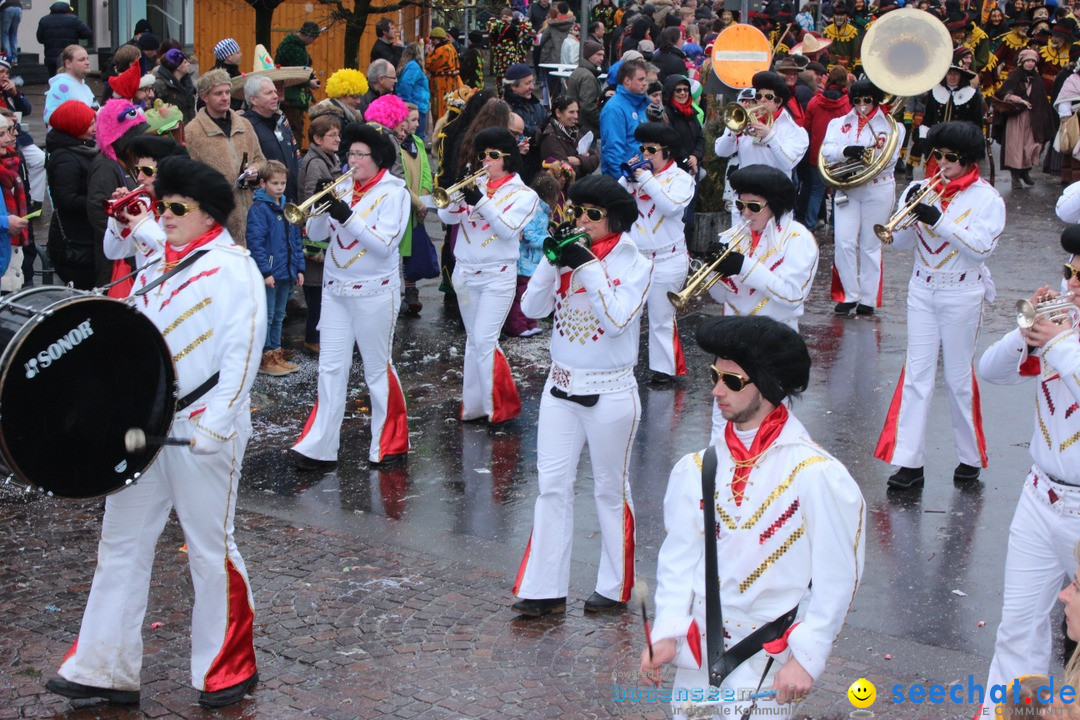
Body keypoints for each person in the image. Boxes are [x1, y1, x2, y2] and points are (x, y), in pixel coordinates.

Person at [44, 155, 266, 711]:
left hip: (201, 427)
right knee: (119, 543)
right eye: (161, 204)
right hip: (148, 425)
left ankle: (226, 665)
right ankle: (102, 666)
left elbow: (243, 350)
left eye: (175, 207)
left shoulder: (232, 268)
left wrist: (219, 419)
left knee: (209, 547)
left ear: (208, 215)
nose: (163, 215)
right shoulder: (157, 263)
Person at [640, 315, 865, 719]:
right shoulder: (696, 469)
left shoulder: (816, 475)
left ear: (768, 385)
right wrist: (669, 631)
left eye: (732, 381)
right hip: (701, 660)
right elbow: (678, 561)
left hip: (768, 659)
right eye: (714, 375)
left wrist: (807, 657)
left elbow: (837, 575)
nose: (715, 390)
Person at [512, 174, 652, 617]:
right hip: (560, 386)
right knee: (551, 487)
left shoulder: (635, 263)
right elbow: (531, 310)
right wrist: (551, 264)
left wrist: (587, 266)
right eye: (578, 212)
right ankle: (543, 588)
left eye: (594, 215)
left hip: (610, 392)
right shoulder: (569, 258)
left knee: (610, 490)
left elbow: (617, 319)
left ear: (616, 221)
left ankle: (615, 586)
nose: (583, 221)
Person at [978, 227, 1080, 718]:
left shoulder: (1067, 341)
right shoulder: (1065, 325)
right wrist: (1025, 335)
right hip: (1040, 497)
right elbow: (989, 371)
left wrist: (1058, 343)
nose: (1072, 285)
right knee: (1018, 626)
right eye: (1069, 272)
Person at [874, 121, 1005, 490]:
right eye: (937, 155)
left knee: (958, 377)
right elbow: (899, 246)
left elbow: (980, 250)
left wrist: (939, 220)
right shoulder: (922, 188)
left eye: (952, 158)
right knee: (916, 376)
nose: (942, 164)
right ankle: (909, 463)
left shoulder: (987, 199)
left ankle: (969, 457)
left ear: (969, 161)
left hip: (962, 293)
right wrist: (905, 218)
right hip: (921, 291)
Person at [290, 122, 411, 471]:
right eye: (350, 154)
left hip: (375, 292)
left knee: (376, 369)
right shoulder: (345, 188)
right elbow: (315, 234)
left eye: (360, 154)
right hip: (336, 291)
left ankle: (388, 444)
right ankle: (320, 447)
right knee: (329, 368)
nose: (352, 161)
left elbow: (384, 246)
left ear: (379, 159)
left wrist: (347, 215)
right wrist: (322, 206)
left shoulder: (394, 193)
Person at [705, 164, 819, 440]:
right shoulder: (735, 237)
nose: (744, 213)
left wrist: (744, 267)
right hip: (733, 346)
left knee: (769, 428)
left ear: (775, 205)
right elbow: (722, 297)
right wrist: (716, 275)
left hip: (773, 346)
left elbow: (792, 296)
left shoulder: (798, 240)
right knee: (721, 428)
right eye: (740, 204)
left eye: (753, 207)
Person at [437, 127, 536, 424]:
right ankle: (475, 405)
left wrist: (479, 200)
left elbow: (507, 229)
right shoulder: (477, 184)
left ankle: (501, 407)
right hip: (465, 274)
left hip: (498, 276)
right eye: (482, 155)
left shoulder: (524, 195)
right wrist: (457, 199)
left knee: (484, 339)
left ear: (509, 159)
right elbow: (445, 217)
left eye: (493, 155)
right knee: (474, 341)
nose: (485, 161)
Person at [820, 78, 904, 316]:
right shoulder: (839, 123)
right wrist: (846, 152)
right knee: (844, 242)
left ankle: (867, 299)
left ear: (875, 100)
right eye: (857, 101)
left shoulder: (892, 126)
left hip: (878, 188)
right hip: (847, 188)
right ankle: (848, 295)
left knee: (870, 244)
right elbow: (827, 151)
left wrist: (860, 159)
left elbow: (889, 161)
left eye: (867, 100)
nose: (862, 105)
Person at [621, 122, 693, 384]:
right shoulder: (638, 177)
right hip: (635, 257)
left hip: (667, 257)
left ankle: (664, 370)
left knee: (661, 317)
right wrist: (626, 179)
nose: (646, 155)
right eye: (642, 149)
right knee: (629, 314)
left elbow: (671, 207)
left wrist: (646, 180)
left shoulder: (681, 179)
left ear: (667, 152)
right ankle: (623, 363)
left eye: (651, 150)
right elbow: (614, 201)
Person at [184, 69, 265, 247]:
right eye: (218, 93)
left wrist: (254, 171)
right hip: (220, 216)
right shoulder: (194, 131)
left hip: (252, 210)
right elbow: (193, 177)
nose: (225, 98)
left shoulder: (245, 125)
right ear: (205, 97)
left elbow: (261, 160)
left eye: (227, 92)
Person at [714, 71, 809, 223]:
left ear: (779, 102)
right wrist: (733, 133)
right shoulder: (746, 121)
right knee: (741, 244)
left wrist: (770, 136)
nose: (761, 100)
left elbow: (789, 162)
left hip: (774, 198)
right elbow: (720, 152)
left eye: (768, 97)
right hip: (745, 196)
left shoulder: (793, 130)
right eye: (758, 96)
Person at [246, 159, 303, 376]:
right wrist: (265, 272)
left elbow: (295, 240)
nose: (279, 188)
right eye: (275, 183)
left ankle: (276, 353)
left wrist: (299, 268)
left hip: (285, 271)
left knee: (279, 314)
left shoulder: (287, 207)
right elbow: (256, 243)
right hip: (271, 273)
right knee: (267, 315)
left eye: (282, 183)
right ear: (263, 183)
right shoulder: (259, 209)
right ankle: (265, 356)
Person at [87, 99, 148, 286]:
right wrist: (124, 238)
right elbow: (98, 211)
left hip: (132, 255)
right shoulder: (106, 167)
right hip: (117, 262)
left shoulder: (124, 163)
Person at [297, 113, 342, 354]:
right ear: (316, 138)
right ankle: (312, 338)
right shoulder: (316, 163)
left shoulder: (328, 158)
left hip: (326, 230)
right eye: (331, 135)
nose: (337, 139)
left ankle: (318, 334)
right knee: (315, 285)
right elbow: (310, 198)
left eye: (338, 134)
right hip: (317, 233)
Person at [43, 99, 96, 288]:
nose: (95, 127)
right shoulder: (65, 158)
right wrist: (99, 201)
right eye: (90, 123)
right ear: (75, 125)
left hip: (86, 235)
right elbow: (66, 199)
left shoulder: (84, 147)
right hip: (75, 241)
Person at [504, 172, 557, 338]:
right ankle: (517, 325)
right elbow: (529, 235)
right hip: (526, 261)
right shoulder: (534, 210)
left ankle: (531, 322)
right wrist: (548, 240)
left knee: (532, 292)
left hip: (535, 261)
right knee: (522, 294)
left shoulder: (542, 211)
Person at [995, 47, 1055, 188]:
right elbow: (1003, 93)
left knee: (1033, 146)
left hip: (1032, 119)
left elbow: (1041, 100)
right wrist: (1018, 99)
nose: (1030, 64)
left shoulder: (1037, 78)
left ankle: (1025, 171)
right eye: (1027, 61)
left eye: (1032, 61)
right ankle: (1015, 177)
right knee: (1015, 147)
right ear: (1021, 62)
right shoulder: (1015, 75)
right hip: (1016, 117)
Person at [802, 66, 850, 230]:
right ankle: (838, 224)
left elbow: (806, 126)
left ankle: (810, 224)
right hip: (840, 156)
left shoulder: (815, 101)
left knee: (816, 191)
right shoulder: (848, 104)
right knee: (839, 192)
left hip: (818, 154)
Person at [398, 103, 433, 316]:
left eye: (417, 119)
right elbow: (399, 177)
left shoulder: (417, 142)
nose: (417, 124)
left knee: (412, 251)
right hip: (403, 203)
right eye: (412, 120)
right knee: (400, 250)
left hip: (417, 204)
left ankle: (411, 292)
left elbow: (426, 171)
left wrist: (424, 199)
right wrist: (416, 202)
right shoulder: (397, 146)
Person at [243, 75, 301, 204]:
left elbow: (295, 160)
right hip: (264, 204)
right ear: (253, 99)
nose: (276, 96)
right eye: (269, 93)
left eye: (275, 91)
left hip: (290, 200)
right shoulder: (246, 126)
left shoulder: (281, 122)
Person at [0, 58, 43, 211]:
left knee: (40, 159)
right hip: (4, 139)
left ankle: (34, 200)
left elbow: (27, 110)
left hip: (18, 137)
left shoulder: (8, 91)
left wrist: (15, 93)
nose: (4, 76)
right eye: (1, 72)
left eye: (6, 72)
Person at [600, 58, 651, 177]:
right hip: (624, 179)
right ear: (627, 80)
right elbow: (613, 150)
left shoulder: (640, 103)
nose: (645, 83)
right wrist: (624, 179)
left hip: (639, 173)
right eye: (641, 79)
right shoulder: (614, 108)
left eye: (645, 79)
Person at [274, 21, 322, 143]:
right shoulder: (291, 48)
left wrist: (310, 76)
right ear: (309, 36)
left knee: (294, 128)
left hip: (292, 95)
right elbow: (293, 74)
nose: (313, 41)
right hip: (290, 97)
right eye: (313, 38)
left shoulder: (296, 46)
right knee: (292, 130)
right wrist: (308, 82)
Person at [309, 68, 366, 156]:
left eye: (360, 97)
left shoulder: (347, 114)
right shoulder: (332, 117)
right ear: (342, 94)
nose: (358, 101)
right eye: (355, 97)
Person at [538, 95, 599, 174]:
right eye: (571, 112)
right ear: (558, 113)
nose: (576, 116)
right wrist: (584, 160)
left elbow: (595, 158)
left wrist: (577, 160)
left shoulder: (574, 131)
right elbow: (564, 170)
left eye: (577, 111)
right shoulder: (550, 138)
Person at [43, 44, 96, 126]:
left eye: (87, 59)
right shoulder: (60, 85)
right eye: (82, 60)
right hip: (68, 138)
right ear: (68, 63)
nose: (87, 62)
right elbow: (49, 117)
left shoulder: (85, 87)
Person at [35, 2, 90, 77]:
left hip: (51, 58)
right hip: (69, 57)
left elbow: (40, 39)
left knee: (54, 80)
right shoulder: (74, 19)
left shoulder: (44, 20)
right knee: (70, 79)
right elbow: (88, 33)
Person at [487, 8, 534, 92]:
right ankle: (501, 93)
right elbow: (493, 37)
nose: (504, 19)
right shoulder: (496, 27)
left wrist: (510, 24)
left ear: (511, 17)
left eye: (506, 17)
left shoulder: (515, 27)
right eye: (503, 16)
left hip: (511, 58)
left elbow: (519, 34)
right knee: (500, 78)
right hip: (500, 58)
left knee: (510, 77)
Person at [566, 40, 604, 139]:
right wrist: (601, 123)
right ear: (589, 55)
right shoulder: (588, 76)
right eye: (598, 54)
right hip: (587, 129)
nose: (602, 58)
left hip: (580, 127)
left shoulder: (580, 71)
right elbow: (588, 106)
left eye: (603, 55)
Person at [427, 27, 461, 130]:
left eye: (435, 39)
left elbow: (430, 64)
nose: (433, 42)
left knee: (439, 111)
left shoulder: (442, 50)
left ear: (440, 39)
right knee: (449, 108)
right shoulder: (451, 47)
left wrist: (429, 53)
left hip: (441, 85)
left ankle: (440, 132)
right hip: (449, 84)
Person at [152, 48, 196, 123]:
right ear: (178, 67)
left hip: (188, 128)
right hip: (170, 130)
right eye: (185, 62)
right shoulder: (160, 85)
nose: (188, 64)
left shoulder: (186, 83)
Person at [396, 43, 430, 138]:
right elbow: (406, 84)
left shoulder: (408, 65)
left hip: (417, 105)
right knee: (417, 137)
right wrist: (408, 104)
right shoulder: (413, 66)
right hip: (416, 105)